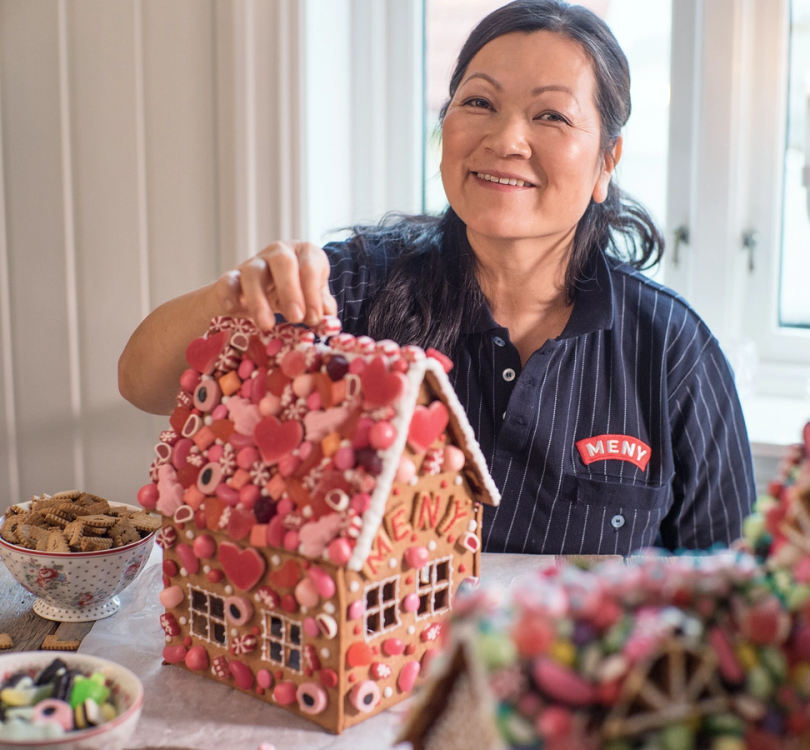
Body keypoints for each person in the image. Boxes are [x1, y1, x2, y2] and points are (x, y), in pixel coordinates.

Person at [119, 0, 755, 556]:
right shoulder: (357, 288)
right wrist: (239, 289)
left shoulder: (670, 348)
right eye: (479, 102)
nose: (506, 139)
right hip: (376, 685)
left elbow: (732, 578)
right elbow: (142, 382)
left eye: (551, 116)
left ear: (606, 161)